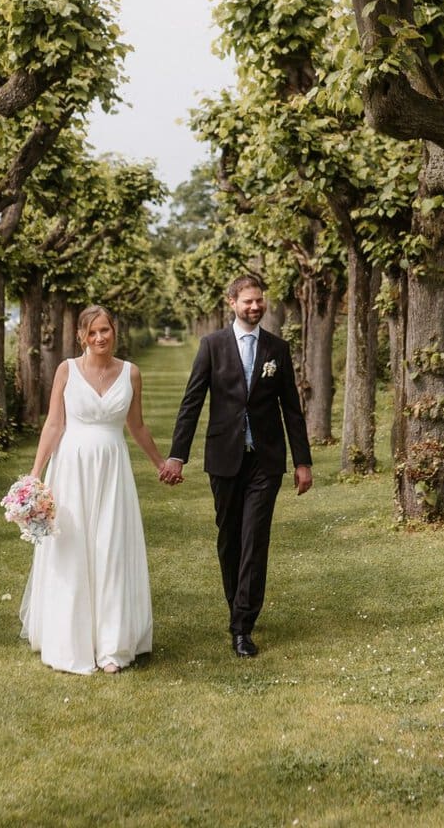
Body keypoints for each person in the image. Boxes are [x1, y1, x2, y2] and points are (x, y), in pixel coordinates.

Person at [161, 274, 312, 658]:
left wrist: (302, 461)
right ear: (232, 303)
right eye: (247, 301)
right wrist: (177, 455)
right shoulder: (212, 346)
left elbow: (291, 408)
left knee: (255, 539)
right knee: (230, 539)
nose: (255, 306)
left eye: (259, 300)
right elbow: (192, 402)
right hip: (224, 458)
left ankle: (243, 626)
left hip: (266, 460)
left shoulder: (278, 348)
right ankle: (237, 607)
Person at [20, 304, 163, 674]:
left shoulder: (131, 373)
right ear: (81, 336)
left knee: (111, 548)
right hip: (71, 469)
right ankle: (71, 641)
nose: (100, 338)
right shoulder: (66, 370)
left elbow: (137, 426)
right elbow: (54, 424)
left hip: (113, 470)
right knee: (73, 549)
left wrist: (160, 463)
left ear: (114, 330)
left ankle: (112, 646)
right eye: (92, 332)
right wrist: (35, 474)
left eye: (105, 330)